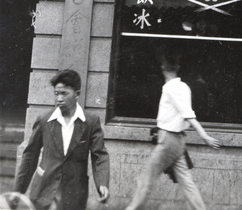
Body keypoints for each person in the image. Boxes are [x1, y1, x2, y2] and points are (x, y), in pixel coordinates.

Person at [124, 53, 220, 210]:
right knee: (187, 182)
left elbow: (187, 114)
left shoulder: (170, 89)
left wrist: (204, 135)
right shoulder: (184, 87)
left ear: (163, 68)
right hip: (179, 141)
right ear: (177, 68)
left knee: (146, 179)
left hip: (168, 140)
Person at [13, 69, 109, 210]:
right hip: (44, 190)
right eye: (56, 93)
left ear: (77, 94)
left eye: (64, 93)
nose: (59, 98)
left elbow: (99, 155)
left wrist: (102, 183)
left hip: (74, 194)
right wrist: (17, 192)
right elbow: (30, 156)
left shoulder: (90, 121)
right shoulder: (44, 120)